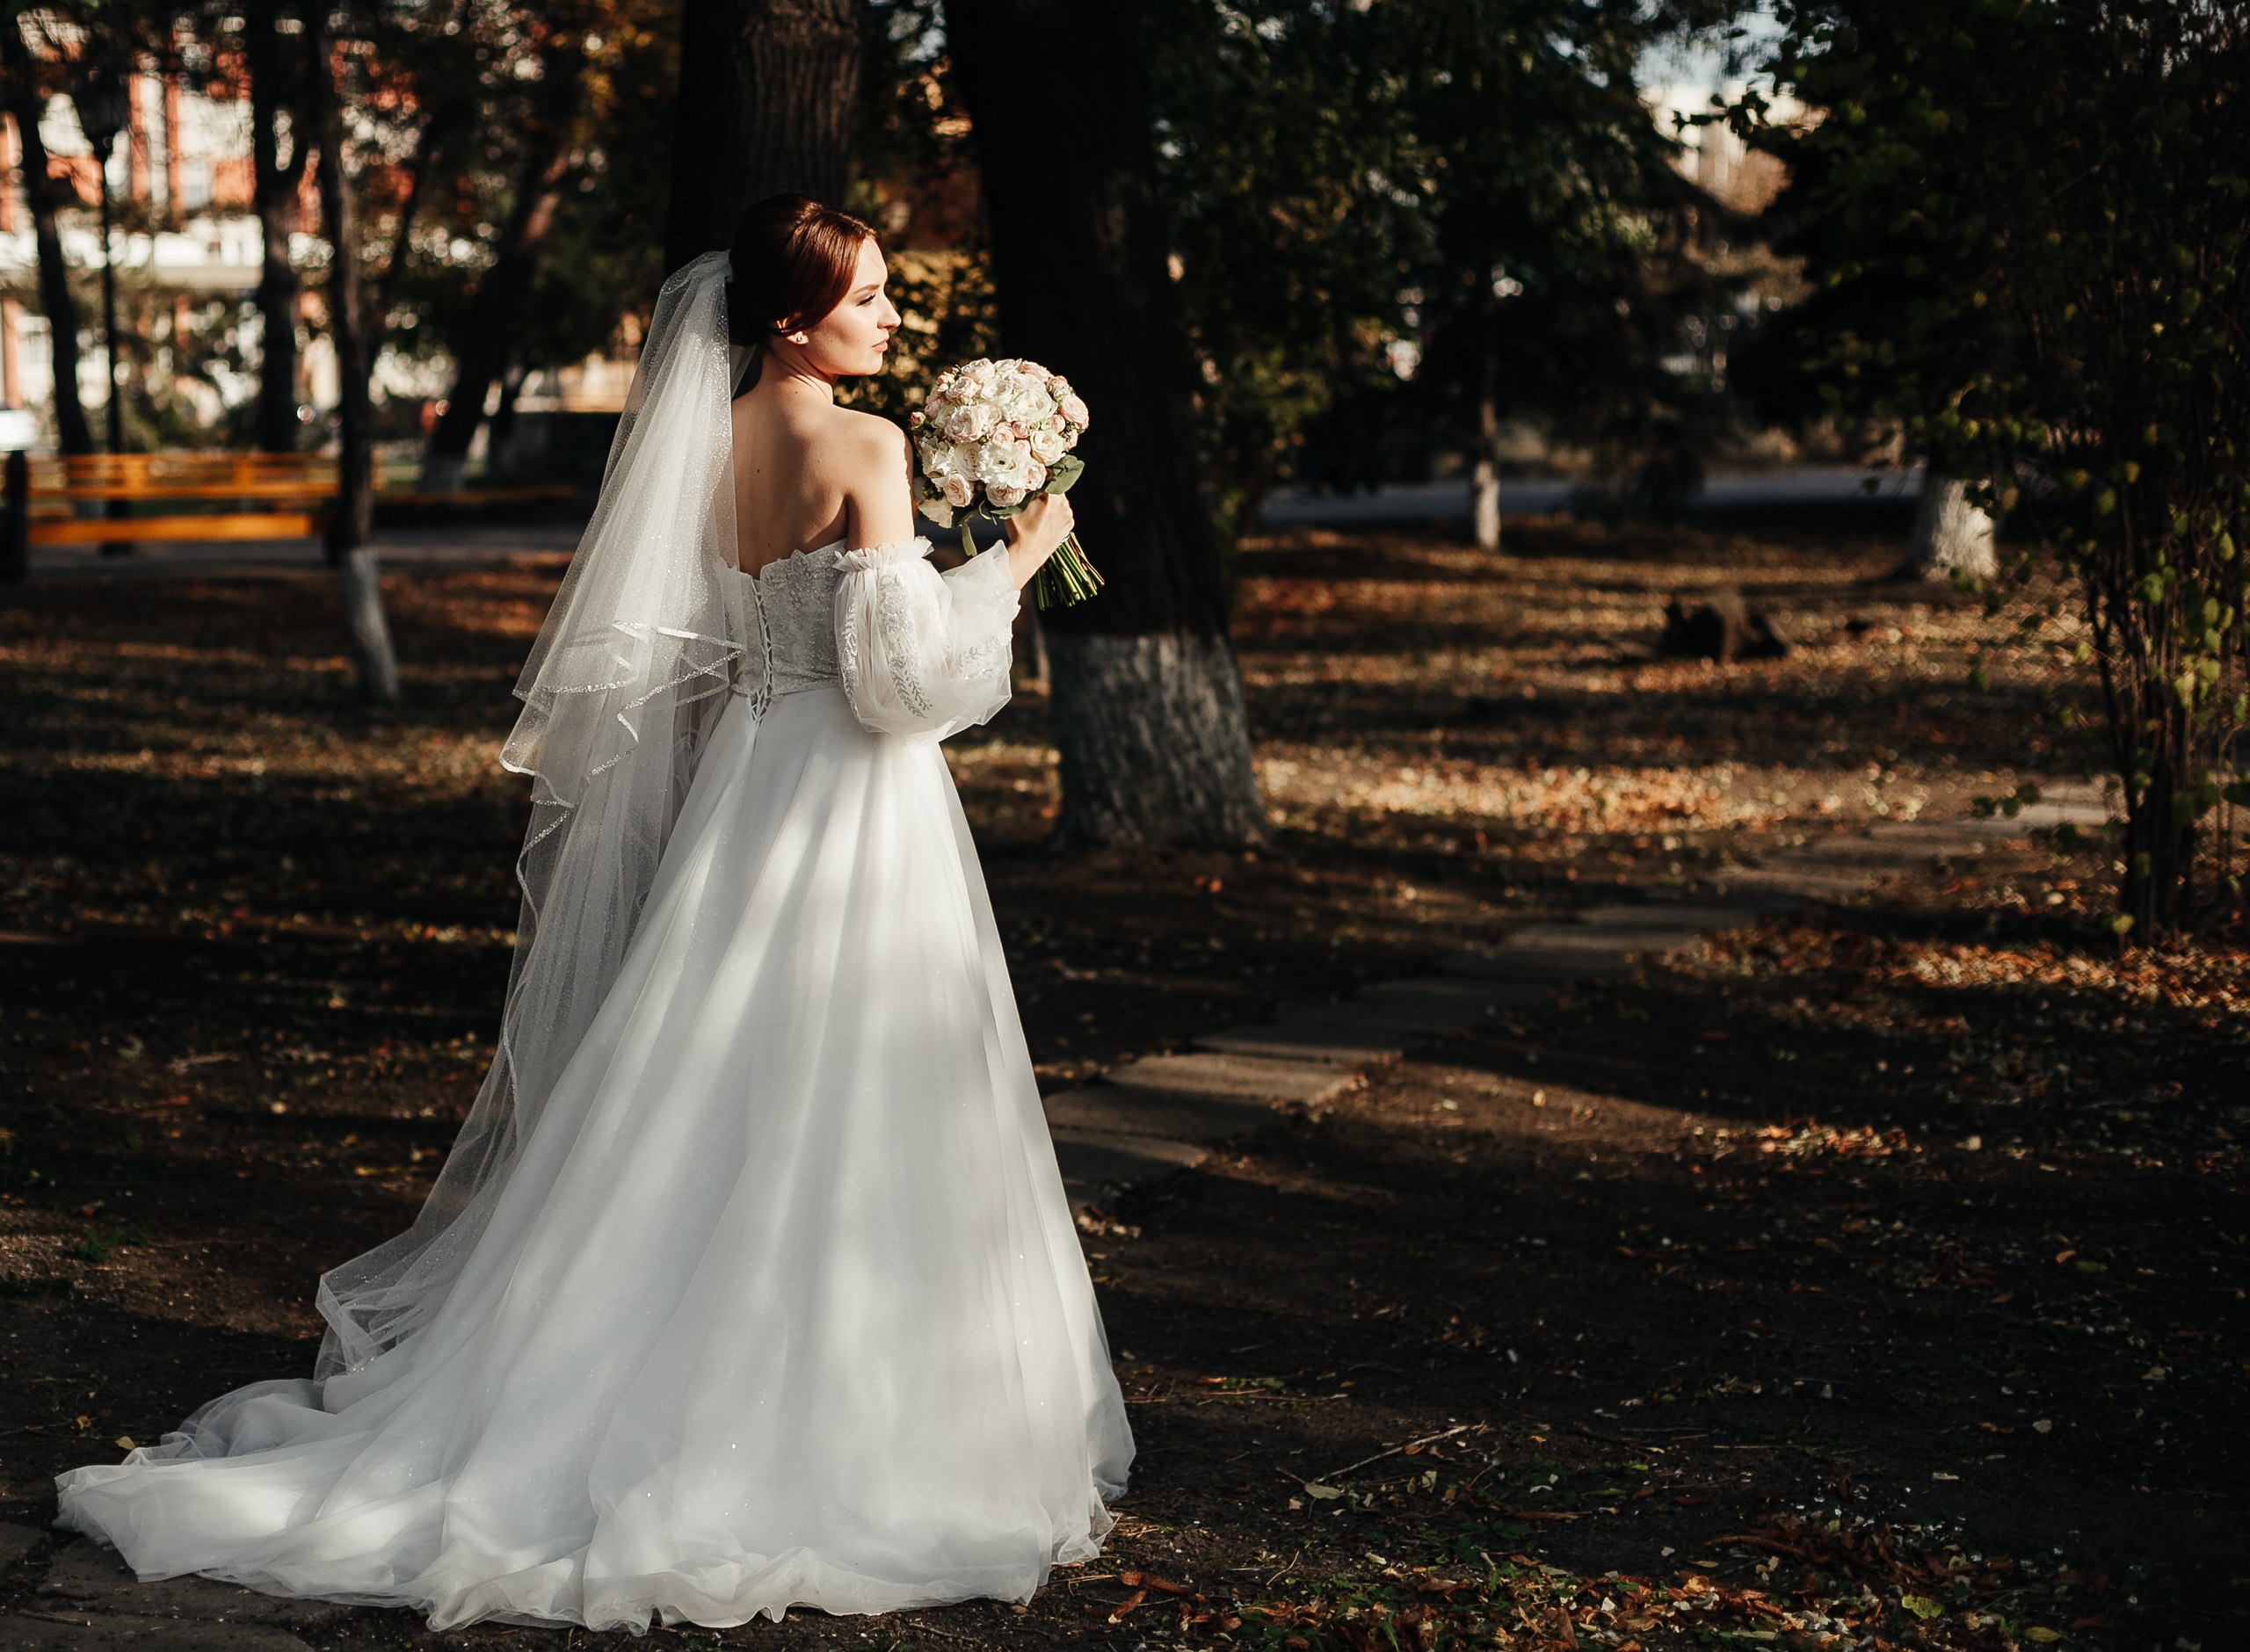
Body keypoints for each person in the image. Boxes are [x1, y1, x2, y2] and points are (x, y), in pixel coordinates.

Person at [54, 195, 1133, 1633]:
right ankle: (849, 1417)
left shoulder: (707, 447)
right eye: (867, 298)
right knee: (851, 1078)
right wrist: (1011, 556)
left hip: (744, 794)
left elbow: (735, 654)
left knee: (703, 1089)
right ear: (795, 317)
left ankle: (641, 1357)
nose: (889, 319)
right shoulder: (867, 449)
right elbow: (898, 688)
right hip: (849, 805)